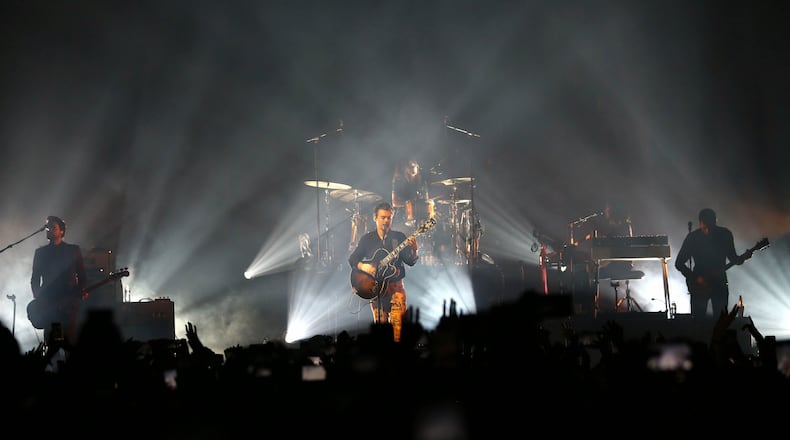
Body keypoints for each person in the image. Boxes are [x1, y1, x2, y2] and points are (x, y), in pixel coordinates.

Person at [348, 202, 419, 342]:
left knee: (398, 331)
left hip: (396, 289)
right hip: (376, 290)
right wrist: (364, 267)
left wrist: (415, 250)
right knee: (381, 333)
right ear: (375, 218)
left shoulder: (399, 237)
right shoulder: (367, 239)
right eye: (383, 217)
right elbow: (353, 259)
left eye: (389, 218)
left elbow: (410, 261)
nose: (386, 221)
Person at [675, 208, 753, 319]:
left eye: (710, 224)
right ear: (701, 222)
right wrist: (695, 278)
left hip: (718, 284)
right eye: (706, 225)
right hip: (705, 286)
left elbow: (734, 259)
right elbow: (679, 263)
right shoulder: (695, 237)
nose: (708, 229)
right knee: (701, 320)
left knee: (718, 319)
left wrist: (744, 257)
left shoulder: (723, 235)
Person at [29, 215, 88, 348]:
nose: (49, 229)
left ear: (61, 231)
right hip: (50, 303)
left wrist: (80, 293)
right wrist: (40, 300)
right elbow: (35, 280)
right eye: (47, 227)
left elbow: (82, 276)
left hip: (69, 304)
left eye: (53, 227)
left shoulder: (73, 250)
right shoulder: (41, 253)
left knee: (70, 340)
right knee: (54, 341)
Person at [391, 157, 432, 229]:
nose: (412, 168)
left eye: (414, 166)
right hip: (403, 218)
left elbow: (426, 200)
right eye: (410, 166)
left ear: (417, 167)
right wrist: (410, 205)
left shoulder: (422, 182)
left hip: (420, 217)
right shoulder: (398, 181)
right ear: (405, 168)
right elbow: (395, 202)